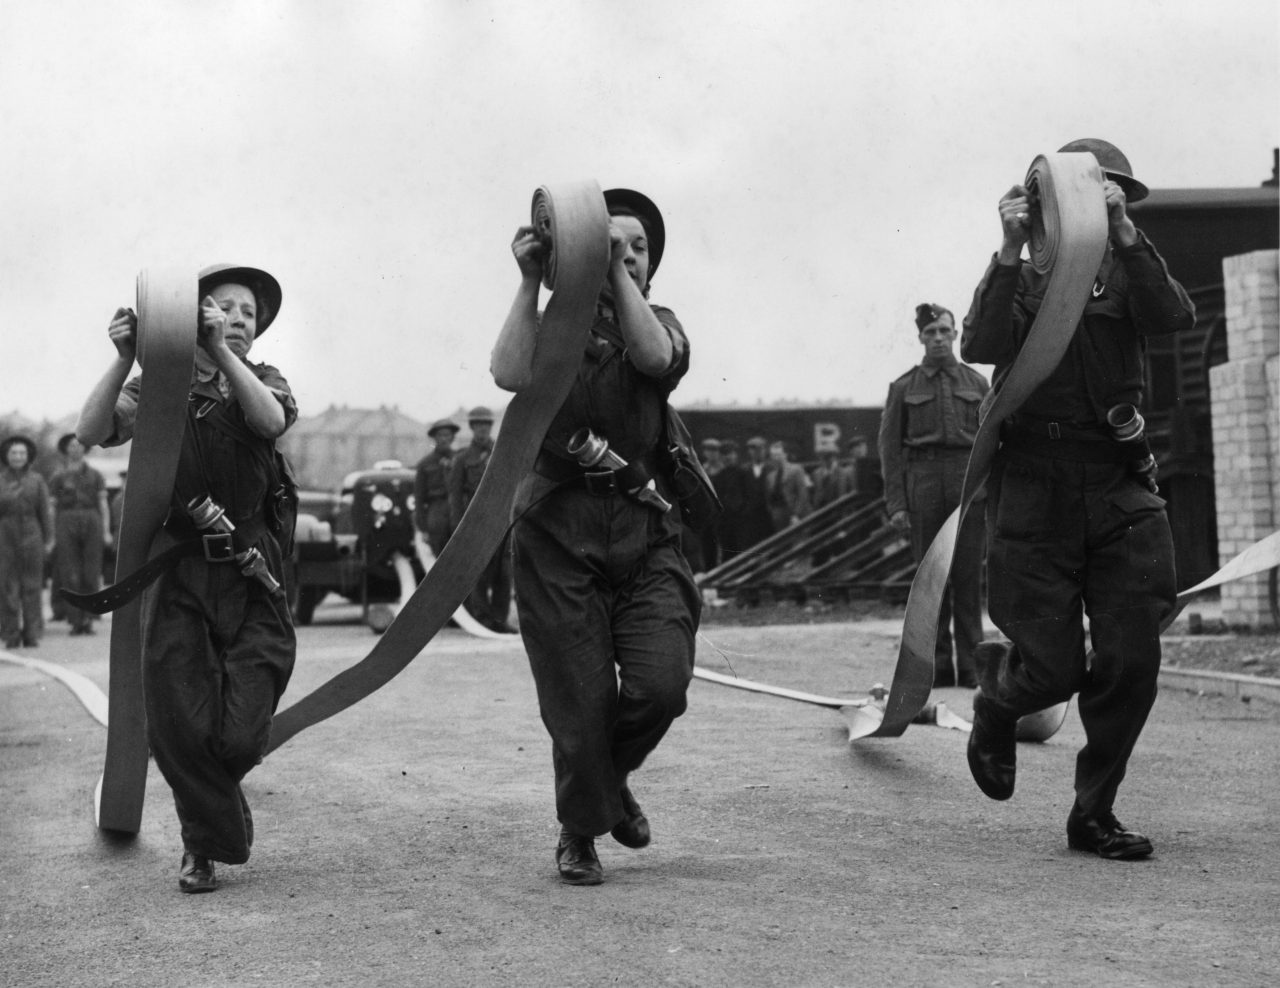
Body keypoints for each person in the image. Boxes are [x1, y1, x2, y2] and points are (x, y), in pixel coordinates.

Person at [960, 139, 1195, 860]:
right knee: (1054, 668)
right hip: (1035, 485)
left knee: (1132, 660)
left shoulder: (1129, 269)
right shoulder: (1024, 275)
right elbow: (981, 340)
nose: (1097, 203)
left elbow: (1174, 317)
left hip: (1118, 482)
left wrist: (1128, 235)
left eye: (1110, 192)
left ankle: (1093, 813)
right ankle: (999, 702)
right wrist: (1007, 251)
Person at [492, 187, 700, 885]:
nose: (629, 254)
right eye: (614, 242)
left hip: (645, 529)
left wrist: (612, 272)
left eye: (640, 247)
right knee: (580, 706)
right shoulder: (551, 324)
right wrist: (530, 280)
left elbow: (652, 359)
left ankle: (602, 787)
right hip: (558, 531)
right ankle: (579, 831)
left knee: (661, 686)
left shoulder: (661, 322)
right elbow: (506, 373)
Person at [76, 263, 298, 892]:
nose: (237, 319)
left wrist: (224, 355)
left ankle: (214, 807)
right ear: (191, 315)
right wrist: (125, 359)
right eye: (224, 308)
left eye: (248, 314)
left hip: (256, 575)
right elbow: (92, 431)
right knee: (178, 722)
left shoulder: (262, 379)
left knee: (243, 725)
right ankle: (202, 846)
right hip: (180, 573)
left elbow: (270, 423)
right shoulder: (156, 388)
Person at [878, 303, 990, 688]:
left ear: (955, 333)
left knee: (969, 577)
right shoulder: (903, 387)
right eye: (930, 333)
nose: (938, 339)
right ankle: (937, 668)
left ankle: (973, 667)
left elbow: (992, 441)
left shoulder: (978, 385)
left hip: (967, 482)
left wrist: (988, 492)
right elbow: (890, 451)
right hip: (923, 482)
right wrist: (896, 504)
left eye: (944, 331)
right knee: (930, 578)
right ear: (920, 338)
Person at [448, 406, 515, 634]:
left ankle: (499, 620)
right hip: (476, 524)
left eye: (486, 425)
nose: (483, 429)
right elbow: (455, 497)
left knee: (504, 574)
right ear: (472, 428)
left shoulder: (504, 452)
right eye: (478, 425)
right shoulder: (463, 458)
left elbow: (513, 486)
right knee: (479, 573)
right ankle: (482, 619)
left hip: (502, 521)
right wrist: (460, 528)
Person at [49, 434, 111, 635]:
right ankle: (76, 620)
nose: (75, 449)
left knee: (91, 570)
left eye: (79, 445)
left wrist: (106, 530)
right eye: (71, 446)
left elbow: (103, 504)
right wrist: (52, 534)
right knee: (70, 571)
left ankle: (90, 619)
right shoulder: (58, 476)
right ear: (66, 450)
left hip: (91, 519)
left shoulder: (95, 475)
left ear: (85, 449)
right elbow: (52, 507)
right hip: (66, 519)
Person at [0, 436, 54, 648]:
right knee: (7, 587)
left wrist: (49, 540)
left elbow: (45, 513)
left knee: (32, 585)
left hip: (32, 536)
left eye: (22, 453)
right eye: (14, 453)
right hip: (4, 536)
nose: (18, 457)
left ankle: (32, 634)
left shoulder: (37, 480)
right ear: (6, 455)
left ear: (28, 456)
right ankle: (10, 634)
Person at [413, 418, 459, 557]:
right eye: (440, 435)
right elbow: (419, 498)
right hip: (437, 512)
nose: (444, 439)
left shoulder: (460, 459)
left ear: (452, 437)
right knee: (440, 556)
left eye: (447, 435)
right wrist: (423, 529)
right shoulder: (425, 464)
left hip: (458, 510)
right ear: (434, 438)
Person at [737, 436, 776, 551]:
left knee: (770, 542)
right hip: (750, 514)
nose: (757, 453)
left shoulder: (772, 468)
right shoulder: (744, 470)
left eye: (760, 450)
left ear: (765, 450)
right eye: (753, 450)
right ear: (749, 452)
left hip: (768, 513)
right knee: (752, 544)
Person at [764, 439, 812, 530]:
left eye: (778, 454)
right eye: (773, 455)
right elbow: (769, 497)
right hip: (779, 515)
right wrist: (773, 512)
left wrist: (796, 514)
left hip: (795, 513)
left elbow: (803, 494)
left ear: (785, 455)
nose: (775, 458)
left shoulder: (796, 469)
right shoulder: (770, 476)